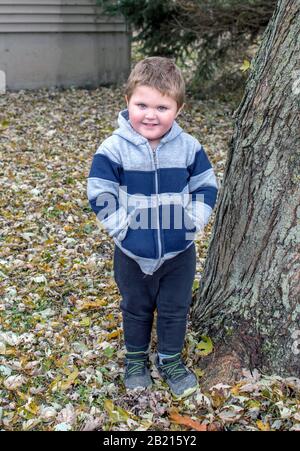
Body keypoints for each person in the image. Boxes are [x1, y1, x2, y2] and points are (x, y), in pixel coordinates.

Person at [87, 57, 218, 399]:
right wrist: (123, 231)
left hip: (179, 252)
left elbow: (206, 186)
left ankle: (170, 361)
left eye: (162, 107)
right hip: (132, 251)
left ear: (179, 108)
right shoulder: (113, 149)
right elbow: (100, 193)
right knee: (135, 307)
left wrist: (191, 224)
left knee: (175, 308)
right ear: (127, 101)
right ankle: (135, 360)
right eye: (141, 104)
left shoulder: (189, 148)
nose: (150, 114)